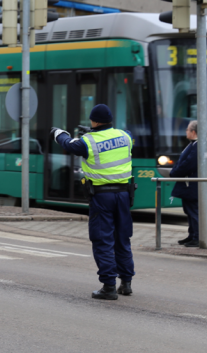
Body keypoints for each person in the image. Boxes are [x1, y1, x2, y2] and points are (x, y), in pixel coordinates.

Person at [51, 104, 135, 301]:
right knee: (122, 238)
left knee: (103, 239)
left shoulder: (88, 141)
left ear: (94, 121)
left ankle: (108, 286)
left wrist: (58, 132)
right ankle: (126, 282)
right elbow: (126, 136)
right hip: (124, 195)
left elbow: (68, 144)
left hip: (102, 197)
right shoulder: (126, 136)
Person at [170, 120, 207, 248]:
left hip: (192, 183)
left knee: (193, 210)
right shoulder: (195, 144)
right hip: (189, 183)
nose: (186, 132)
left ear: (194, 132)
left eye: (187, 130)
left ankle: (197, 237)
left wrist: (175, 172)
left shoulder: (199, 145)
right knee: (189, 210)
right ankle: (192, 235)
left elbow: (189, 163)